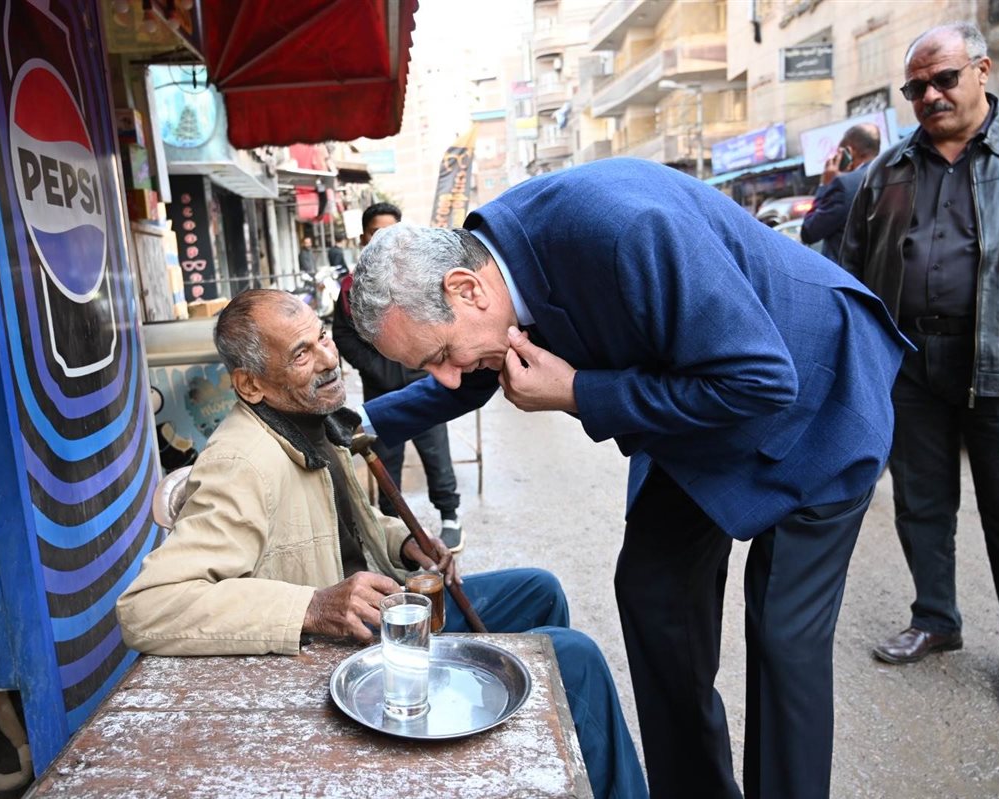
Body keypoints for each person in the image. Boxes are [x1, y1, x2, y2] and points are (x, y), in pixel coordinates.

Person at [348, 158, 908, 799]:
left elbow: (760, 379)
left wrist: (579, 392)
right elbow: (473, 375)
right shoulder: (493, 268)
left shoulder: (627, 231)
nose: (447, 375)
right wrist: (353, 424)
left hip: (816, 395)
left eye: (440, 355)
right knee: (654, 593)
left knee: (784, 640)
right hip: (699, 405)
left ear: (466, 289)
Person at [116, 289, 647, 799]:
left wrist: (403, 544)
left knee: (539, 590)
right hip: (344, 654)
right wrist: (312, 606)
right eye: (302, 354)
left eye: (323, 337)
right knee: (574, 657)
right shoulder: (240, 464)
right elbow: (149, 606)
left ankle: (550, 760)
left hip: (383, 614)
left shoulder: (311, 420)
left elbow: (352, 523)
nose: (329, 359)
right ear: (251, 385)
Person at [839, 22, 999, 710]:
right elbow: (852, 270)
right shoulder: (887, 169)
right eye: (915, 88)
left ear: (982, 70)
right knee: (921, 503)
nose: (930, 96)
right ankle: (935, 619)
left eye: (943, 79)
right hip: (912, 362)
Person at [334, 202, 465, 551]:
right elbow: (343, 335)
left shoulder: (422, 278)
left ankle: (450, 517)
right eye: (375, 232)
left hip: (425, 385)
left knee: (436, 453)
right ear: (364, 237)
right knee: (386, 463)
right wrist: (377, 367)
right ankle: (394, 534)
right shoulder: (351, 288)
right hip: (381, 392)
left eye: (390, 231)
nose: (382, 238)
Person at [800, 122, 881, 263]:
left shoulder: (844, 185)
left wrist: (825, 185)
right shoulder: (890, 174)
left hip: (847, 271)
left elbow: (809, 231)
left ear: (849, 151)